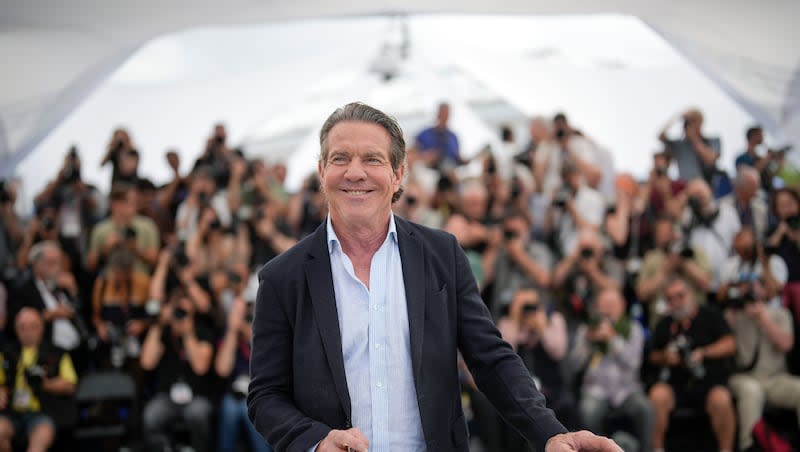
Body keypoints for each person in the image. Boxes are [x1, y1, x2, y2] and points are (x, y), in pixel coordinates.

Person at [247, 102, 620, 452]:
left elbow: (490, 358)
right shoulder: (283, 277)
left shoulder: (441, 256)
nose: (355, 172)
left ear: (398, 174)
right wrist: (316, 441)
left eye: (372, 159)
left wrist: (550, 433)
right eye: (340, 158)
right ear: (321, 172)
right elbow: (265, 396)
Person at [648, 277, 737, 452]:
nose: (676, 302)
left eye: (680, 296)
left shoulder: (710, 315)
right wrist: (666, 357)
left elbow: (730, 344)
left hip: (709, 382)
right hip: (676, 384)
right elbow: (652, 356)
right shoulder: (664, 323)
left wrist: (703, 353)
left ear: (692, 295)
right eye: (670, 299)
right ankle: (657, 449)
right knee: (657, 395)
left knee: (721, 399)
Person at [570, 289, 653, 452]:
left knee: (645, 408)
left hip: (627, 390)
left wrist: (612, 340)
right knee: (588, 410)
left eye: (612, 305)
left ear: (622, 306)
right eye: (604, 305)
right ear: (597, 307)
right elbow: (574, 366)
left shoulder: (633, 328)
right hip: (596, 389)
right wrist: (588, 343)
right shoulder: (586, 329)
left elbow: (634, 363)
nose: (608, 309)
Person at [724, 280, 800, 451]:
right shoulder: (735, 315)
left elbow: (786, 345)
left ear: (765, 290)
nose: (751, 291)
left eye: (755, 286)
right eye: (747, 288)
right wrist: (732, 307)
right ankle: (749, 447)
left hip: (775, 379)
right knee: (751, 390)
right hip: (744, 377)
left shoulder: (781, 313)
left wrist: (762, 318)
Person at [0, 308, 78, 452]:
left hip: (43, 412)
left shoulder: (57, 353)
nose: (27, 331)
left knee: (40, 438)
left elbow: (70, 385)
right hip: (12, 412)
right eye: (22, 327)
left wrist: (46, 384)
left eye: (33, 326)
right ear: (16, 330)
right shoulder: (6, 353)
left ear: (41, 328)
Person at [413, 102, 463, 173]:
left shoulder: (453, 137)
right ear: (438, 114)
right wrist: (425, 156)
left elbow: (458, 157)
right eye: (443, 113)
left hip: (451, 170)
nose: (445, 116)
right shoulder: (425, 134)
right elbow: (411, 153)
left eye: (447, 114)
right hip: (430, 171)